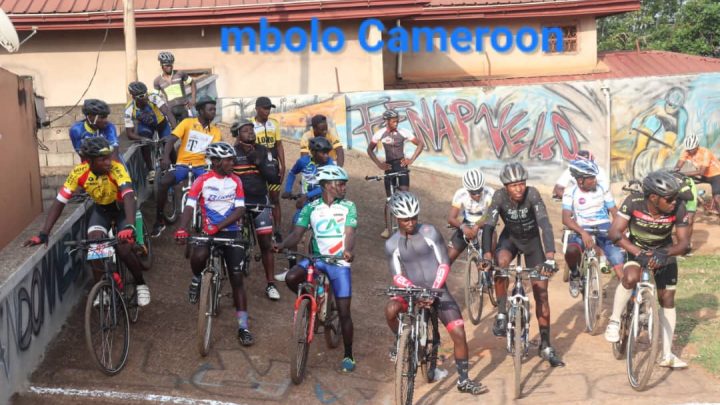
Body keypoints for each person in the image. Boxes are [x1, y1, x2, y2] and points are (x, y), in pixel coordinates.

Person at [24, 137, 151, 306]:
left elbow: (128, 195)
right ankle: (103, 290)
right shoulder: (79, 172)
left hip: (122, 211)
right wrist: (43, 233)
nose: (109, 162)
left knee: (124, 248)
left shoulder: (116, 168)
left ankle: (141, 284)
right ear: (89, 161)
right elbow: (60, 201)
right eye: (103, 159)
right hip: (102, 211)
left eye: (109, 157)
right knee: (94, 245)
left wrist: (129, 225)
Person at [384, 191, 489, 395]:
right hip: (412, 290)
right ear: (397, 217)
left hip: (437, 288)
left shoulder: (430, 232)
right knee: (390, 309)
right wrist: (414, 291)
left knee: (458, 332)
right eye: (405, 219)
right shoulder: (391, 244)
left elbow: (443, 263)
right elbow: (397, 275)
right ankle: (402, 341)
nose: (410, 222)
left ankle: (464, 380)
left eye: (414, 217)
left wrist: (433, 291)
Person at [272, 166, 357, 372]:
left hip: (338, 262)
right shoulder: (310, 208)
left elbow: (350, 232)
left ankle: (348, 355)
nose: (344, 187)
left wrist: (347, 250)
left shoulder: (348, 206)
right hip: (317, 259)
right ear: (327, 186)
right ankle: (312, 301)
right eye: (340, 184)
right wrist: (282, 245)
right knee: (292, 278)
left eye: (344, 183)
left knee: (344, 312)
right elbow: (297, 234)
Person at [480, 162, 564, 367]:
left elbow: (545, 224)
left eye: (521, 184)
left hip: (533, 243)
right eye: (513, 185)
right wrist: (486, 255)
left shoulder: (532, 195)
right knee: (501, 265)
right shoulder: (499, 197)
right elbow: (489, 227)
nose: (518, 189)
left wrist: (550, 256)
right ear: (505, 186)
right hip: (510, 240)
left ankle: (545, 346)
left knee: (541, 293)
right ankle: (501, 312)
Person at [605, 170, 691, 369]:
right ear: (653, 197)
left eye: (675, 198)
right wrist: (638, 252)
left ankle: (667, 354)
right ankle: (615, 320)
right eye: (669, 199)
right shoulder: (633, 201)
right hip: (636, 248)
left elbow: (684, 243)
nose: (673, 202)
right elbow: (614, 232)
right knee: (630, 277)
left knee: (667, 298)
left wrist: (666, 253)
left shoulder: (678, 207)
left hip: (664, 250)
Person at [174, 142, 255, 345]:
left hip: (231, 231)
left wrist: (218, 227)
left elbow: (239, 210)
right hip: (208, 231)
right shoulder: (202, 180)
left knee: (237, 279)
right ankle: (196, 279)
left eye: (232, 159)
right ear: (216, 162)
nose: (232, 162)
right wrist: (182, 229)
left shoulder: (236, 180)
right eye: (227, 160)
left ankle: (243, 326)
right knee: (198, 256)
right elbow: (190, 206)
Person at [153, 96, 221, 237]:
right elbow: (171, 140)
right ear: (201, 111)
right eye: (210, 109)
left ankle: (213, 221)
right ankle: (159, 220)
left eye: (214, 109)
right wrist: (165, 157)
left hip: (202, 167)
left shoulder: (215, 131)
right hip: (183, 165)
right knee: (164, 182)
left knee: (212, 190)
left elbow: (216, 153)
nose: (213, 112)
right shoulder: (187, 123)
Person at [231, 119, 284, 301]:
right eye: (245, 131)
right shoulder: (232, 152)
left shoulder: (263, 150)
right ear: (238, 134)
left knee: (266, 245)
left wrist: (258, 161)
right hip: (238, 204)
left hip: (260, 202)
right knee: (233, 243)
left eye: (252, 130)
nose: (251, 133)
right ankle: (234, 285)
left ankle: (270, 284)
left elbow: (274, 179)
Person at [561, 159, 624, 297]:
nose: (595, 180)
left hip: (603, 227)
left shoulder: (602, 188)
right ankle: (575, 275)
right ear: (580, 180)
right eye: (591, 178)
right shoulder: (570, 191)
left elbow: (613, 210)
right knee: (571, 251)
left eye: (595, 177)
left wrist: (618, 228)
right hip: (581, 227)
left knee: (619, 264)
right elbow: (566, 218)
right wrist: (582, 232)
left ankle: (631, 303)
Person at [367, 109, 424, 239]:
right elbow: (369, 149)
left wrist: (411, 159)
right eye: (393, 121)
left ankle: (409, 225)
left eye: (397, 121)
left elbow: (420, 144)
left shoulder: (403, 132)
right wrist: (379, 164)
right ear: (387, 121)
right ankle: (387, 228)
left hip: (401, 165)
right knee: (389, 199)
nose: (396, 123)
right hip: (389, 166)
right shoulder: (380, 134)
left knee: (405, 196)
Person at [124, 81, 177, 182]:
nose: (145, 97)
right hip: (146, 127)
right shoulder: (129, 109)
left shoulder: (153, 98)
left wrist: (175, 128)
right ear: (134, 97)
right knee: (144, 142)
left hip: (161, 124)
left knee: (168, 143)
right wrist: (142, 139)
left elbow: (167, 112)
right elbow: (129, 133)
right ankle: (151, 170)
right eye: (142, 96)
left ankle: (176, 165)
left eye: (146, 93)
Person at [252, 96, 285, 243]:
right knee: (258, 197)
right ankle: (260, 228)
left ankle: (277, 230)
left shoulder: (274, 124)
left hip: (272, 166)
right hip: (256, 167)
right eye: (265, 108)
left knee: (275, 198)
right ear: (257, 109)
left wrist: (283, 165)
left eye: (269, 108)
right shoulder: (250, 124)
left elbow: (278, 145)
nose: (267, 111)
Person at [446, 168, 495, 265]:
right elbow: (451, 218)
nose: (477, 195)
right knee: (446, 260)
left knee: (490, 259)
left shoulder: (490, 192)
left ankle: (489, 275)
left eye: (479, 190)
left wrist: (476, 226)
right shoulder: (461, 194)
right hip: (467, 223)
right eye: (473, 192)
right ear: (467, 190)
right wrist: (463, 227)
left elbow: (489, 214)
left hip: (486, 224)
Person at [674, 133, 720, 214]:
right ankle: (700, 200)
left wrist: (682, 174)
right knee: (683, 181)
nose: (690, 151)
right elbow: (678, 166)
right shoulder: (686, 152)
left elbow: (701, 172)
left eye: (692, 149)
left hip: (716, 175)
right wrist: (675, 171)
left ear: (697, 146)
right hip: (705, 176)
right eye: (688, 149)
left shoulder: (705, 152)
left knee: (717, 198)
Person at [153, 51, 196, 124]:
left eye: (171, 65)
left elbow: (192, 83)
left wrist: (193, 99)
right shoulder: (157, 81)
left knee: (188, 131)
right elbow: (155, 98)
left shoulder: (180, 74)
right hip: (171, 111)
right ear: (162, 65)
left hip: (184, 108)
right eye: (167, 65)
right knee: (175, 132)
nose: (169, 67)